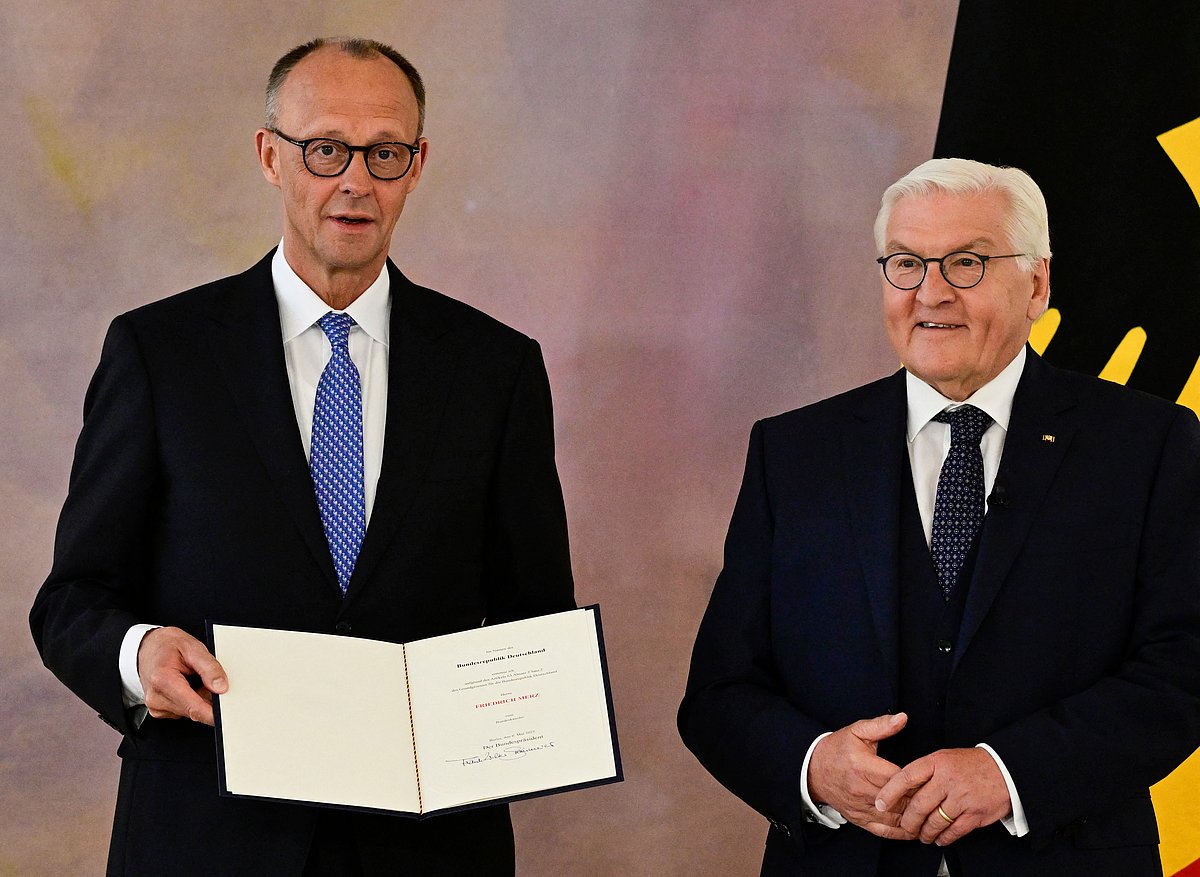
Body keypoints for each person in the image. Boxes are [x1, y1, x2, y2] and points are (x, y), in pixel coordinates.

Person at [30, 37, 574, 876]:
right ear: (270, 156)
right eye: (325, 149)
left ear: (417, 164)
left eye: (385, 153)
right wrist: (138, 654)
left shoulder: (495, 368)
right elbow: (73, 599)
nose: (355, 179)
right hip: (205, 837)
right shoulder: (159, 352)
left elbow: (533, 618)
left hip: (426, 849)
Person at [678, 157, 1200, 876]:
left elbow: (1183, 667)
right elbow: (719, 693)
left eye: (967, 262)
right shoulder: (794, 453)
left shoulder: (1147, 444)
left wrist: (1008, 772)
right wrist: (813, 766)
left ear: (1038, 284)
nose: (931, 293)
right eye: (905, 263)